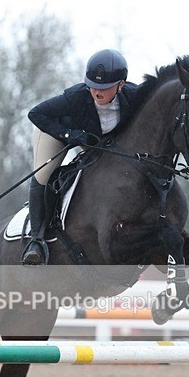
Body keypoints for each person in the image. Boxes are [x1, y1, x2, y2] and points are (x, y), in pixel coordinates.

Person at [21, 48, 138, 265]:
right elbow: (35, 113)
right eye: (93, 86)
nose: (97, 92)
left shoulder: (134, 97)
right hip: (55, 133)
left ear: (121, 85)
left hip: (94, 141)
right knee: (44, 175)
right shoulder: (76, 97)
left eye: (104, 87)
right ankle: (36, 240)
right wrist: (68, 134)